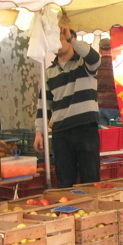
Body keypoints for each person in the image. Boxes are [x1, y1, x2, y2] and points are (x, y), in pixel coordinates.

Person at [33, 17, 102, 188]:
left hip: (85, 127)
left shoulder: (84, 66)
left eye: (60, 38)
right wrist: (39, 132)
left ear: (70, 42)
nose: (57, 43)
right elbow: (43, 106)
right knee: (64, 180)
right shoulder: (49, 72)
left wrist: (71, 38)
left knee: (90, 178)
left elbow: (95, 58)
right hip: (61, 131)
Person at [97, 38, 120, 126]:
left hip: (99, 105)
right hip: (114, 104)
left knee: (103, 136)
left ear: (100, 50)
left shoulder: (95, 64)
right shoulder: (117, 63)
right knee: (115, 135)